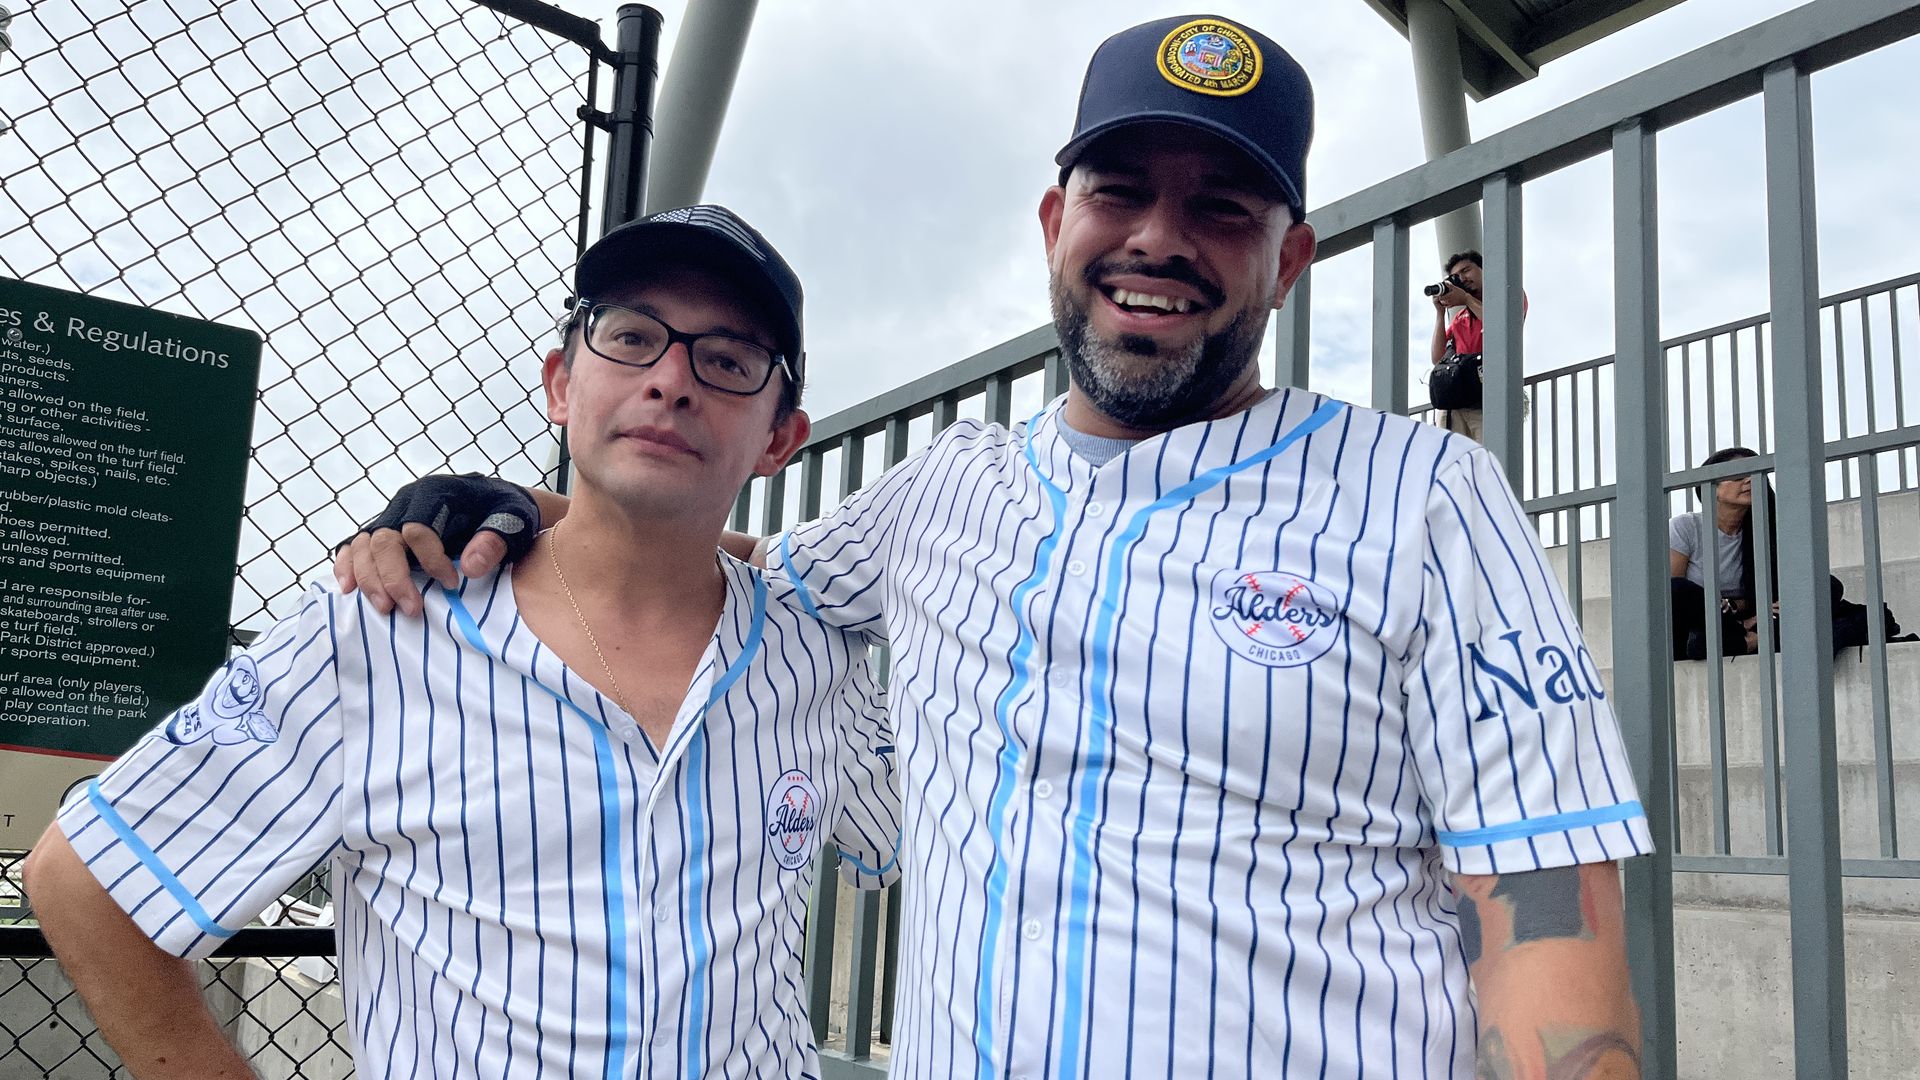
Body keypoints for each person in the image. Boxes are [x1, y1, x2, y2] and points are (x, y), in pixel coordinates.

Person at [338, 16, 1651, 1078]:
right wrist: (511, 512)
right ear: (1053, 223)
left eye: (1224, 210)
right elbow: (716, 576)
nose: (1157, 239)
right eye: (1120, 191)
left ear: (1289, 259)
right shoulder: (941, 491)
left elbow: (1541, 906)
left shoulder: (1427, 496)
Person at [22, 205, 902, 1079]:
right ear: (562, 382)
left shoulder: (814, 653)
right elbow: (83, 884)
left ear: (781, 438)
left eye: (728, 360)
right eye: (632, 337)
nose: (671, 379)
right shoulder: (383, 626)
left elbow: (900, 839)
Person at [1669, 446, 1776, 659]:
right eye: (1738, 476)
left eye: (1754, 474)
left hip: (1755, 619)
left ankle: (1745, 639)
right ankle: (1743, 640)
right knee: (1676, 590)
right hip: (1701, 622)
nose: (1749, 480)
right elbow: (1671, 596)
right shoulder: (1686, 527)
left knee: (1826, 586)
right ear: (1713, 488)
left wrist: (1746, 609)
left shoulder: (1768, 530)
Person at [1427, 249, 1527, 442]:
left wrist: (1465, 299)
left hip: (1489, 399)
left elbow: (1503, 329)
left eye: (1467, 270)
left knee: (1489, 459)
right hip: (1457, 400)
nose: (1462, 278)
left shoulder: (1508, 296)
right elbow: (1437, 357)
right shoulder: (1460, 319)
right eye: (1455, 276)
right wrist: (1440, 313)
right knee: (1455, 462)